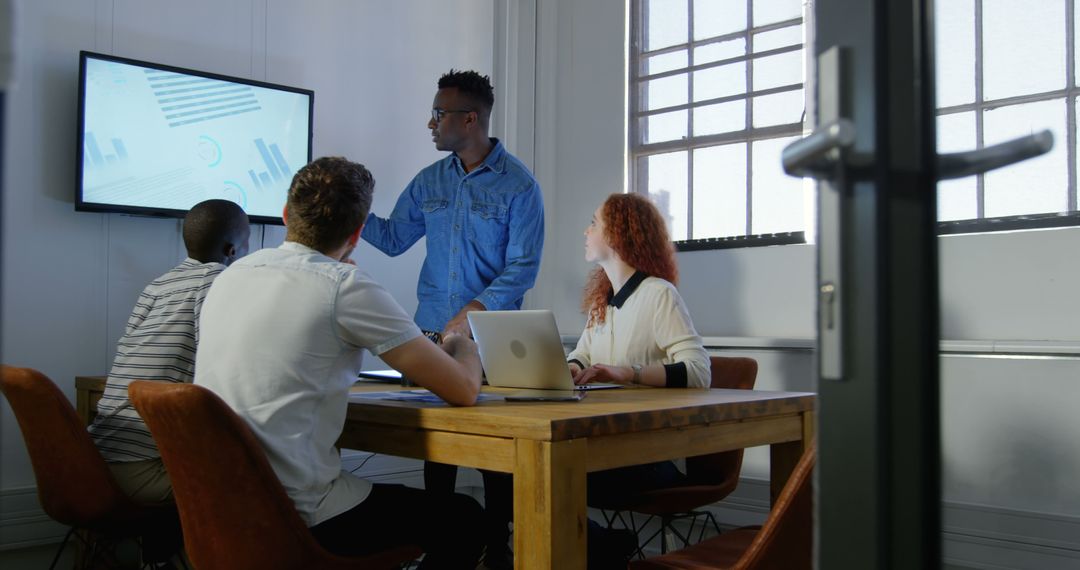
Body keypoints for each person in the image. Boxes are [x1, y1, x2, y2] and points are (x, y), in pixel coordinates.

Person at [194, 157, 485, 568]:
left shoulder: (232, 275)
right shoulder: (345, 287)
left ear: (285, 216)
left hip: (220, 507)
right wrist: (463, 343)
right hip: (299, 516)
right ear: (358, 232)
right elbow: (463, 389)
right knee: (463, 517)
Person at [361, 69, 544, 567]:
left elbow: (522, 267)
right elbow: (396, 239)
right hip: (429, 334)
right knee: (435, 445)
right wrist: (347, 209)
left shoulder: (520, 186)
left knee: (495, 453)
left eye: (439, 115)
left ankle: (499, 549)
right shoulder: (430, 181)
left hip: (491, 339)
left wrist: (473, 312)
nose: (431, 123)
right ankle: (440, 549)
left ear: (470, 119)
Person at [570, 192, 712, 567]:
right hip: (604, 445)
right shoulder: (603, 301)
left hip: (644, 455)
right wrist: (570, 368)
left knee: (545, 475)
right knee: (513, 474)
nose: (586, 231)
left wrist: (626, 373)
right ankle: (604, 546)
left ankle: (602, 548)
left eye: (594, 223)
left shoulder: (659, 295)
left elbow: (698, 371)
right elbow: (581, 354)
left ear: (617, 234)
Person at [88, 198, 251, 505]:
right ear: (233, 250)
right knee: (259, 483)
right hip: (141, 471)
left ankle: (158, 554)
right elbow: (224, 366)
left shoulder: (158, 285)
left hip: (93, 461)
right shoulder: (220, 281)